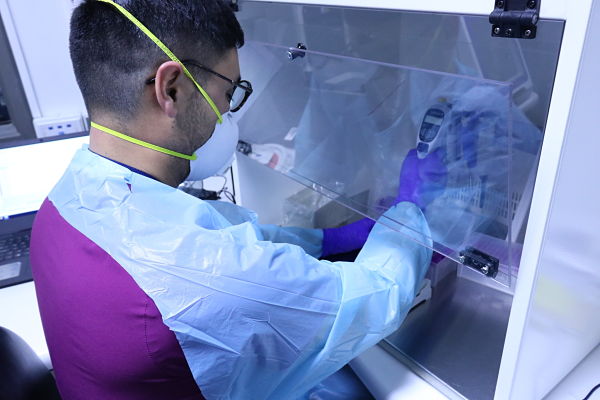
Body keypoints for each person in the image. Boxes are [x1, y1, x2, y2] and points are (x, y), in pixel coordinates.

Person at [29, 0, 435, 399]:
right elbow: (375, 297)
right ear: (171, 89)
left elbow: (216, 237)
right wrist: (411, 212)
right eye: (229, 92)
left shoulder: (68, 199)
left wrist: (329, 240)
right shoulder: (206, 276)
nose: (228, 111)